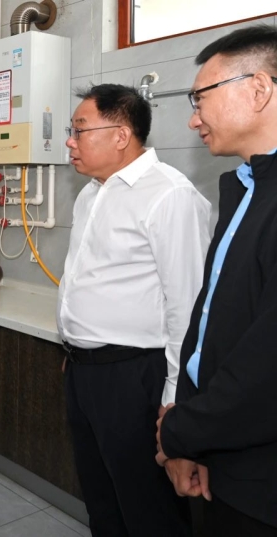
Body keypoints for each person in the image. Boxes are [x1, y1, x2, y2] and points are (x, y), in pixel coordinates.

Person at [57, 84, 211, 536]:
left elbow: (188, 310)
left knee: (147, 509)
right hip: (84, 372)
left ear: (121, 135)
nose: (70, 141)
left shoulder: (170, 195)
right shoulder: (90, 194)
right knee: (102, 502)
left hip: (135, 377)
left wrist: (174, 401)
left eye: (79, 130)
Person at [156, 25, 277, 536]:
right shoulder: (246, 189)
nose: (193, 118)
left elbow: (266, 364)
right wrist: (196, 438)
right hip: (224, 454)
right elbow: (211, 325)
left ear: (258, 89)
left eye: (200, 98)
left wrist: (181, 430)